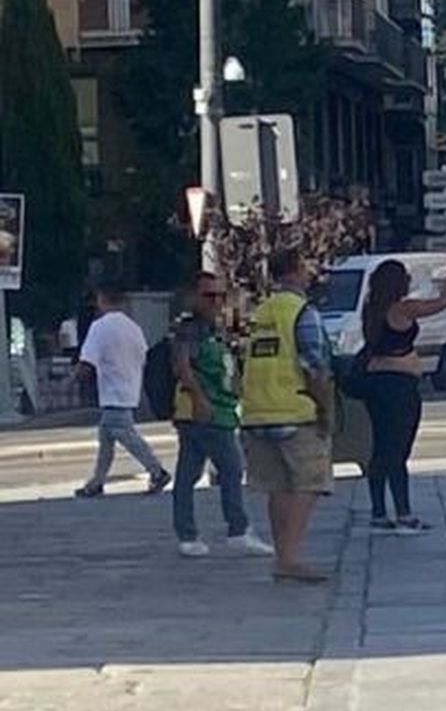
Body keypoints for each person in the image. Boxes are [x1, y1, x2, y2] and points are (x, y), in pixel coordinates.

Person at [240, 248, 336, 583]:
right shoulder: (302, 312)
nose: (311, 272)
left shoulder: (260, 312)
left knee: (277, 487)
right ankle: (291, 558)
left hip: (257, 411)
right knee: (308, 484)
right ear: (295, 271)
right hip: (297, 410)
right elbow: (314, 365)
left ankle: (282, 556)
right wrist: (325, 408)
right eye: (306, 266)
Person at [170, 271, 275, 558]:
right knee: (230, 468)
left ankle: (188, 534)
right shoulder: (190, 329)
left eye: (220, 295)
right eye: (208, 295)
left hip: (215, 409)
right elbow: (182, 365)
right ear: (194, 296)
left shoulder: (216, 328)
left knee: (189, 472)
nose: (216, 301)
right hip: (205, 410)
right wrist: (200, 399)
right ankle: (237, 529)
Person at [359, 256, 446, 534]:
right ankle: (403, 513)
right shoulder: (403, 308)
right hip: (399, 385)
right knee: (398, 449)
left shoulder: (371, 309)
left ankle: (379, 512)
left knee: (381, 447)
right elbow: (443, 303)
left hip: (375, 382)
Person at [75, 282, 170, 498]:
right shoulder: (133, 327)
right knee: (106, 438)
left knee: (126, 435)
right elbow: (143, 356)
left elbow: (87, 361)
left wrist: (74, 377)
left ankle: (157, 470)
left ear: (101, 299)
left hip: (112, 392)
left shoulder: (99, 327)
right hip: (130, 389)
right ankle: (97, 482)